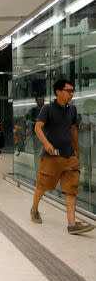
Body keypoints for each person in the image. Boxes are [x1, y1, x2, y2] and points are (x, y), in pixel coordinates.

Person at [30, 79, 94, 234]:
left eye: (73, 91)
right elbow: (38, 128)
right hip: (51, 156)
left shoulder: (72, 110)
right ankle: (34, 209)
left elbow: (73, 130)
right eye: (68, 90)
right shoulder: (47, 109)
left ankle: (72, 225)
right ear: (58, 92)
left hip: (69, 156)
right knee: (42, 186)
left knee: (71, 189)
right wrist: (46, 143)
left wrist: (76, 150)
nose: (71, 94)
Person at [78, 98, 96, 193]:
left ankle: (86, 184)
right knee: (78, 166)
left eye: (93, 106)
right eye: (89, 105)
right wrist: (84, 126)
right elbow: (77, 128)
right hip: (80, 145)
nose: (91, 108)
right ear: (85, 106)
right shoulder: (79, 116)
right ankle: (73, 182)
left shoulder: (93, 118)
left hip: (90, 146)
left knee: (89, 167)